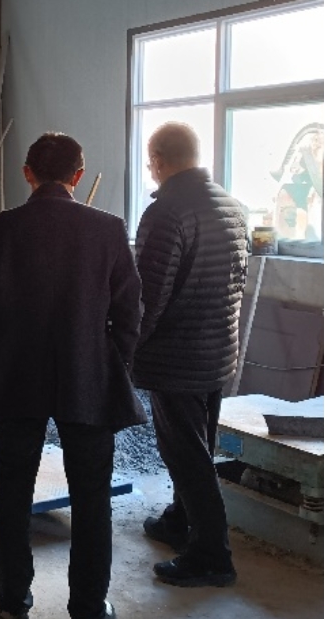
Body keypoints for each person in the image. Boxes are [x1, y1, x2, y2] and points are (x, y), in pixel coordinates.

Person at [0, 133, 144, 619]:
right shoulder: (108, 229)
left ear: (27, 172)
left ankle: (12, 603)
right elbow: (129, 313)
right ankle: (89, 614)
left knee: (12, 491)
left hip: (16, 378)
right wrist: (109, 363)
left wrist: (0, 349)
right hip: (88, 377)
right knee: (92, 498)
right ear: (78, 176)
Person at [134, 122, 247, 587]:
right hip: (218, 350)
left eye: (150, 163)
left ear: (159, 161)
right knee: (198, 444)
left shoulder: (166, 213)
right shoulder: (232, 207)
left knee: (186, 454)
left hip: (177, 356)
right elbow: (237, 280)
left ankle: (211, 554)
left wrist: (125, 347)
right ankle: (180, 520)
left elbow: (149, 297)